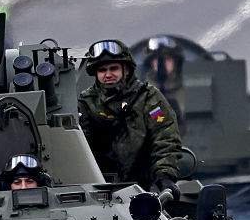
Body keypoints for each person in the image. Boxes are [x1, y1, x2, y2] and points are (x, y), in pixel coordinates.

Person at [78, 40, 183, 196]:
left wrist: (164, 174)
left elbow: (165, 136)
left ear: (126, 69)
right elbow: (80, 147)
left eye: (113, 68)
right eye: (102, 70)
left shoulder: (147, 97)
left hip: (146, 186)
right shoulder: (87, 103)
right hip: (100, 189)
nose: (108, 75)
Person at [142, 36, 186, 131]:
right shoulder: (144, 91)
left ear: (175, 62)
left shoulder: (186, 86)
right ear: (151, 63)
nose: (162, 64)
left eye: (167, 59)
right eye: (157, 60)